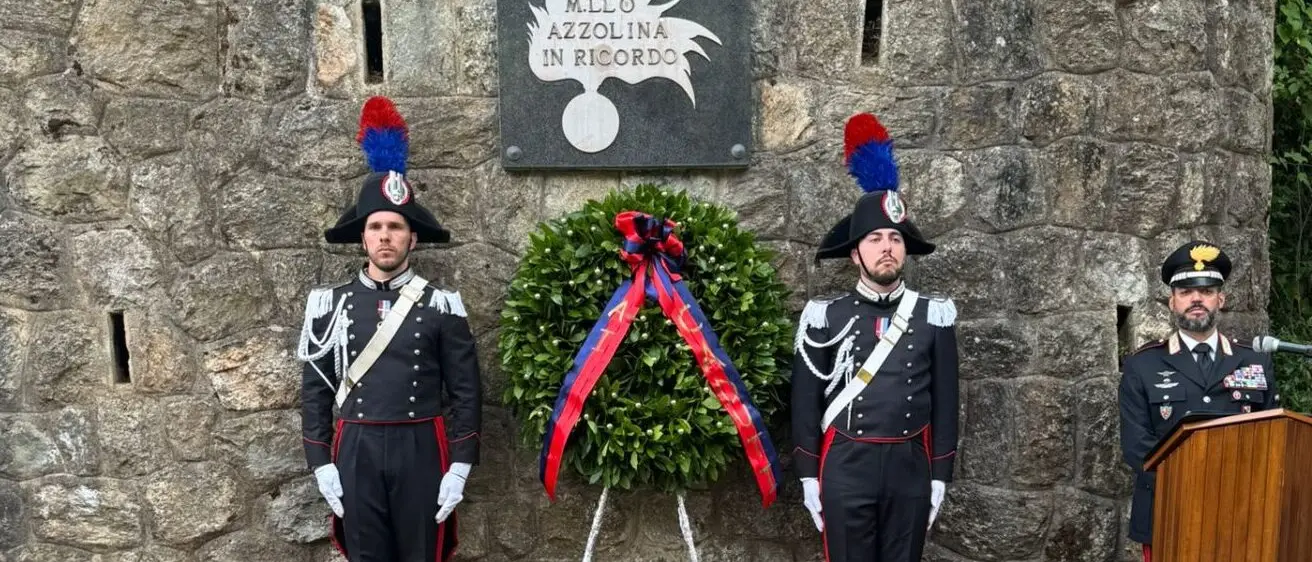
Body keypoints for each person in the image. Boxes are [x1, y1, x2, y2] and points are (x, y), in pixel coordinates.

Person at [297, 96, 482, 562]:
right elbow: (316, 393)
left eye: (395, 227)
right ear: (362, 236)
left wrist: (460, 464)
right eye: (376, 226)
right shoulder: (328, 305)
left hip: (421, 445)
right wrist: (321, 463)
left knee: (424, 553)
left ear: (412, 237)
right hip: (356, 445)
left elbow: (465, 390)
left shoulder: (442, 305)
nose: (385, 236)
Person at [791, 113, 959, 561]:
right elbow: (805, 402)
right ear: (854, 253)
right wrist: (809, 474)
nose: (887, 247)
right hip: (846, 464)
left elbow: (946, 401)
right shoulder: (825, 317)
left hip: (910, 465)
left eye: (895, 239)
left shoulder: (934, 316)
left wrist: (940, 474)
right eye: (875, 239)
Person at [1118, 241, 1280, 562]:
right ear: (1172, 302)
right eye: (1186, 291)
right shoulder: (1143, 366)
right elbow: (1137, 447)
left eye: (1206, 291)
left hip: (1242, 512)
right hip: (1170, 510)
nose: (1196, 299)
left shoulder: (1254, 362)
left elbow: (1271, 437)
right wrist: (1197, 480)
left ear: (1221, 299)